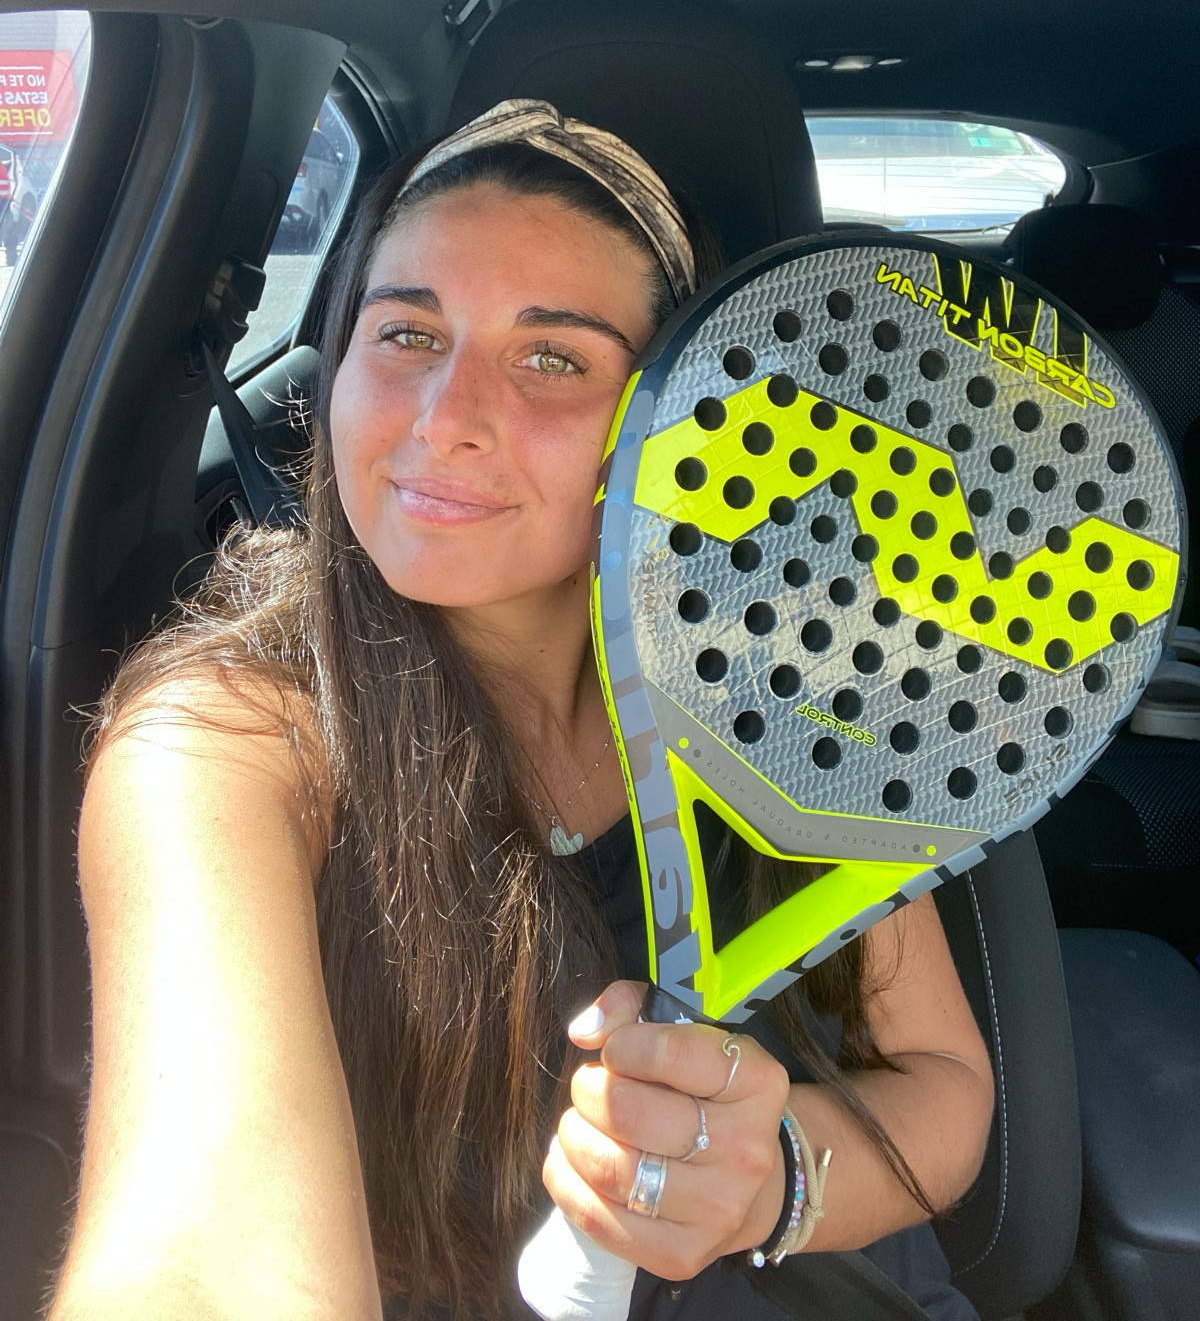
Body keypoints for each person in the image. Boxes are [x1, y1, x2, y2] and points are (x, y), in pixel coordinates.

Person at [51, 100, 994, 1321]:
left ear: (677, 418)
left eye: (553, 358)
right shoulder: (221, 749)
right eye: (406, 333)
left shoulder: (788, 684)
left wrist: (774, 1181)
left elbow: (944, 1082)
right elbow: (201, 1261)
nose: (443, 418)